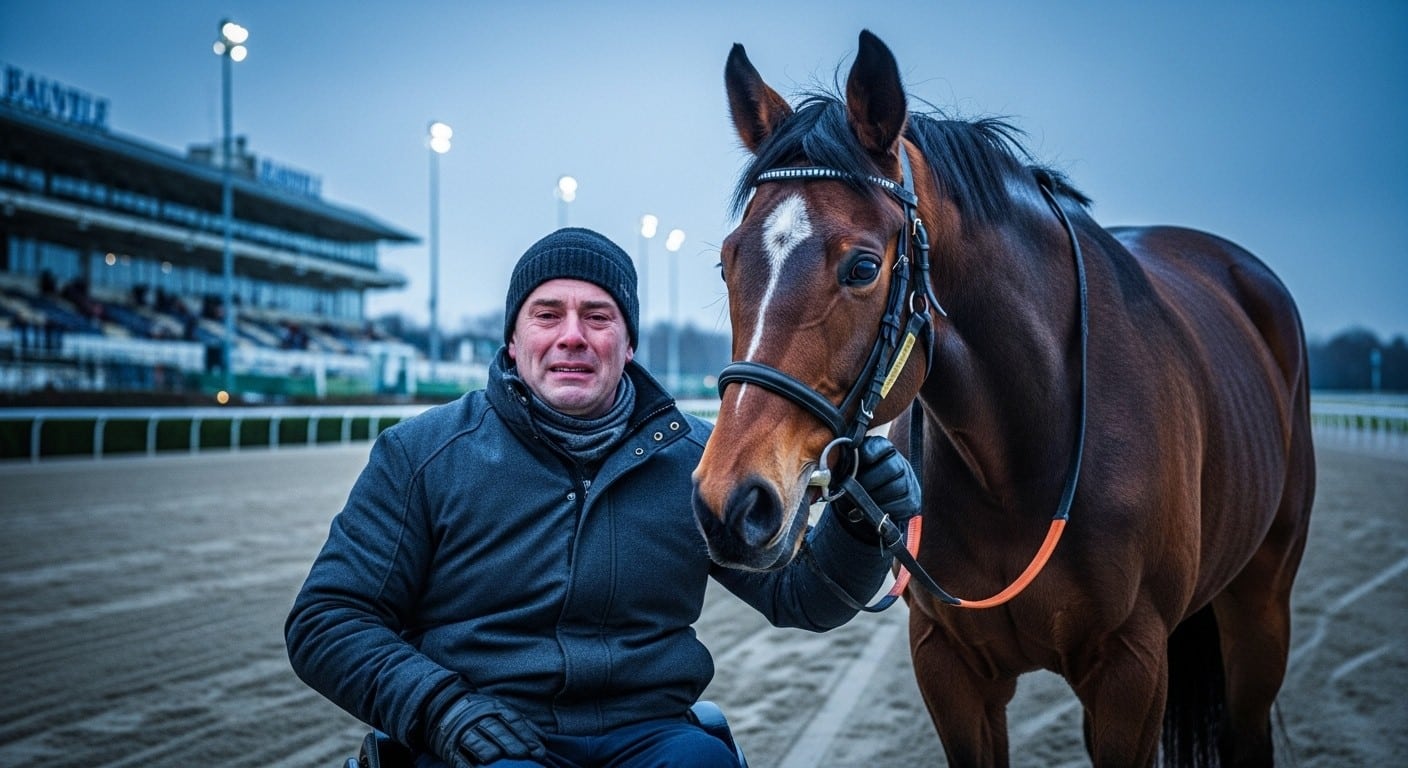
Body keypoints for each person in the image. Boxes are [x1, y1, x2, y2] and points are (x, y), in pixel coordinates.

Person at [285, 227, 920, 768]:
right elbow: (327, 619)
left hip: (649, 735)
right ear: (513, 340)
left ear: (628, 342)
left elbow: (801, 596)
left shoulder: (697, 460)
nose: (572, 336)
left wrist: (857, 525)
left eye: (597, 317)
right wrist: (440, 710)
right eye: (546, 315)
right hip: (485, 734)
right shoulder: (420, 454)